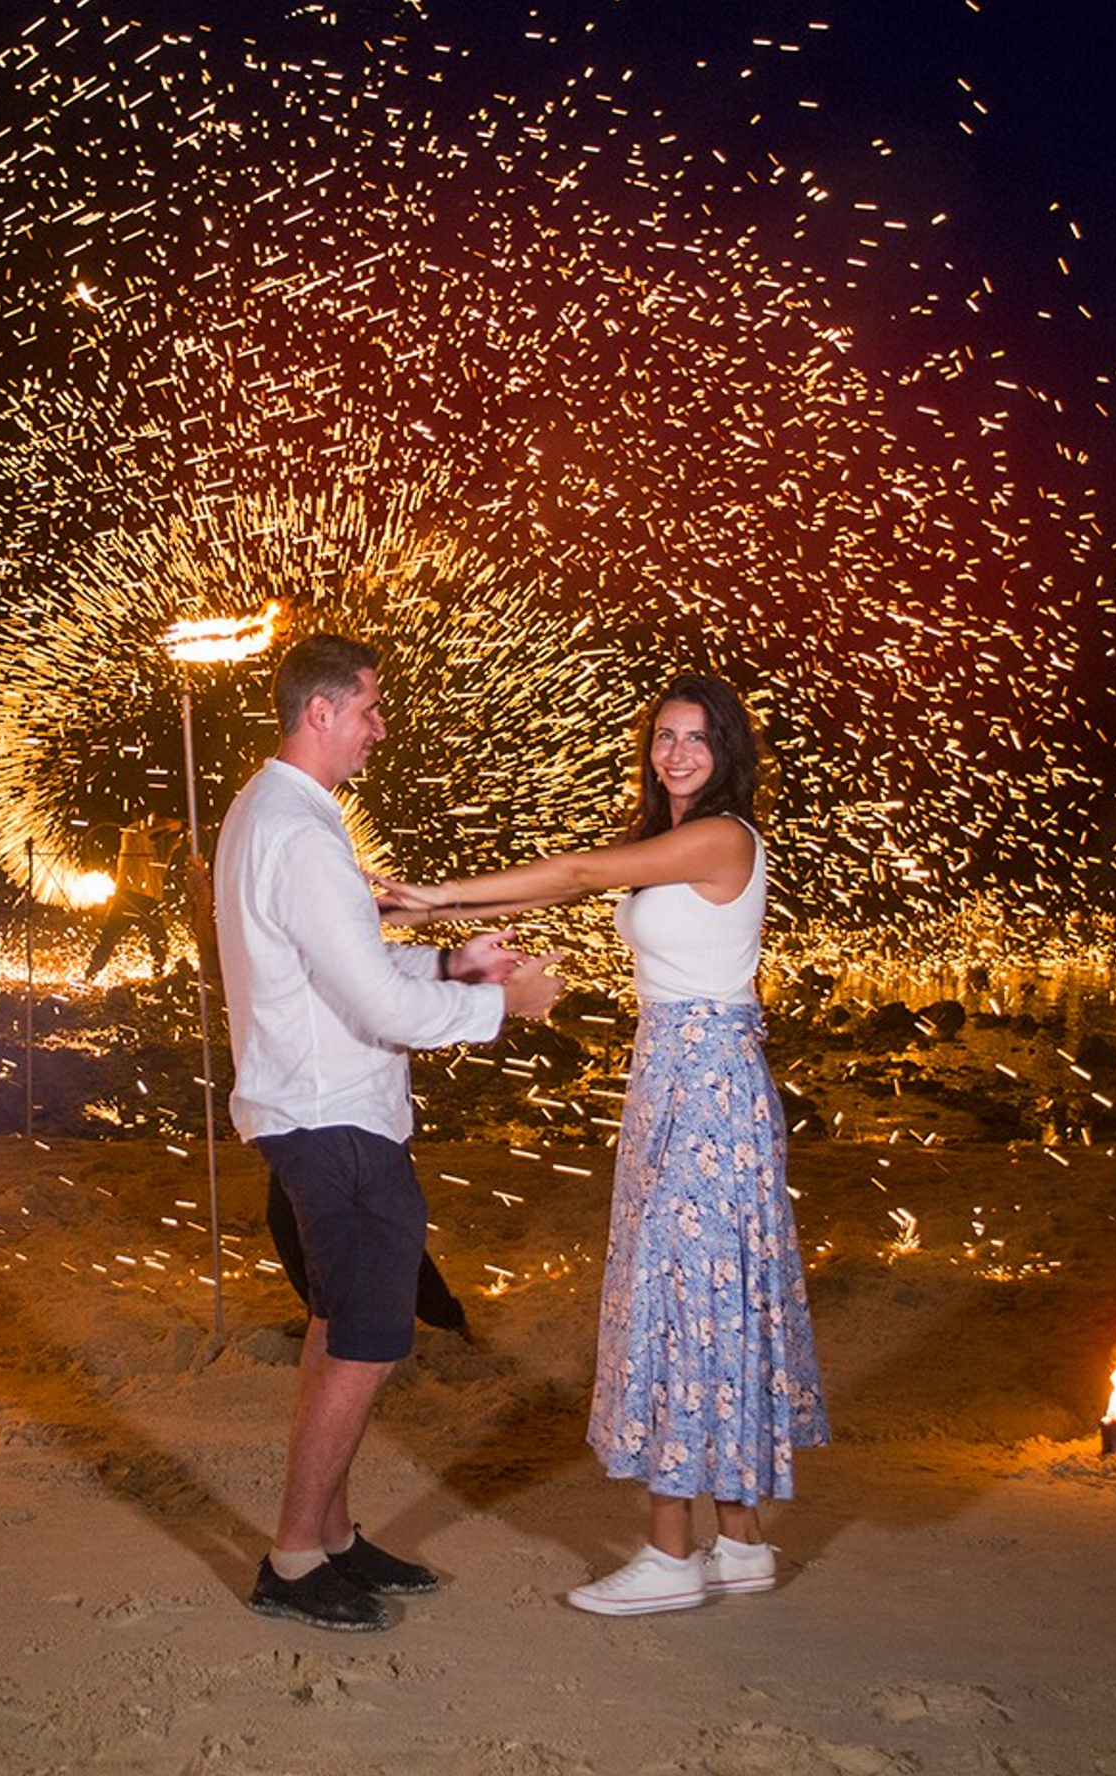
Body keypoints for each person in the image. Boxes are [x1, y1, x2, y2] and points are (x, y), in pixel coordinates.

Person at [377, 675, 828, 1617]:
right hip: (680, 1072)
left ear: (728, 752)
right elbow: (587, 874)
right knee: (709, 1295)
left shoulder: (722, 836)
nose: (676, 753)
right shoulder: (669, 843)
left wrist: (437, 898)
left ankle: (671, 1557)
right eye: (664, 736)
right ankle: (738, 1546)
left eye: (697, 739)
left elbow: (580, 873)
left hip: (704, 1084)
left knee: (679, 1295)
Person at [214, 631, 565, 1633]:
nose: (378, 726)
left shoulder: (268, 812)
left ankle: (328, 1536)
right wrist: (509, 1006)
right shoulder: (306, 836)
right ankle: (291, 1560)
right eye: (367, 707)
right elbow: (379, 1009)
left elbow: (345, 974)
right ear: (317, 712)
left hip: (316, 1115)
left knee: (338, 1329)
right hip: (338, 1125)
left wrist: (454, 966)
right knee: (366, 1342)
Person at [84, 813, 185, 982]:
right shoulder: (131, 833)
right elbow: (153, 825)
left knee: (159, 940)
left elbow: (159, 874)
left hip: (148, 901)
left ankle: (158, 975)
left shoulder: (149, 849)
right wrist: (176, 824)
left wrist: (172, 849)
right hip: (128, 898)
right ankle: (90, 975)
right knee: (109, 938)